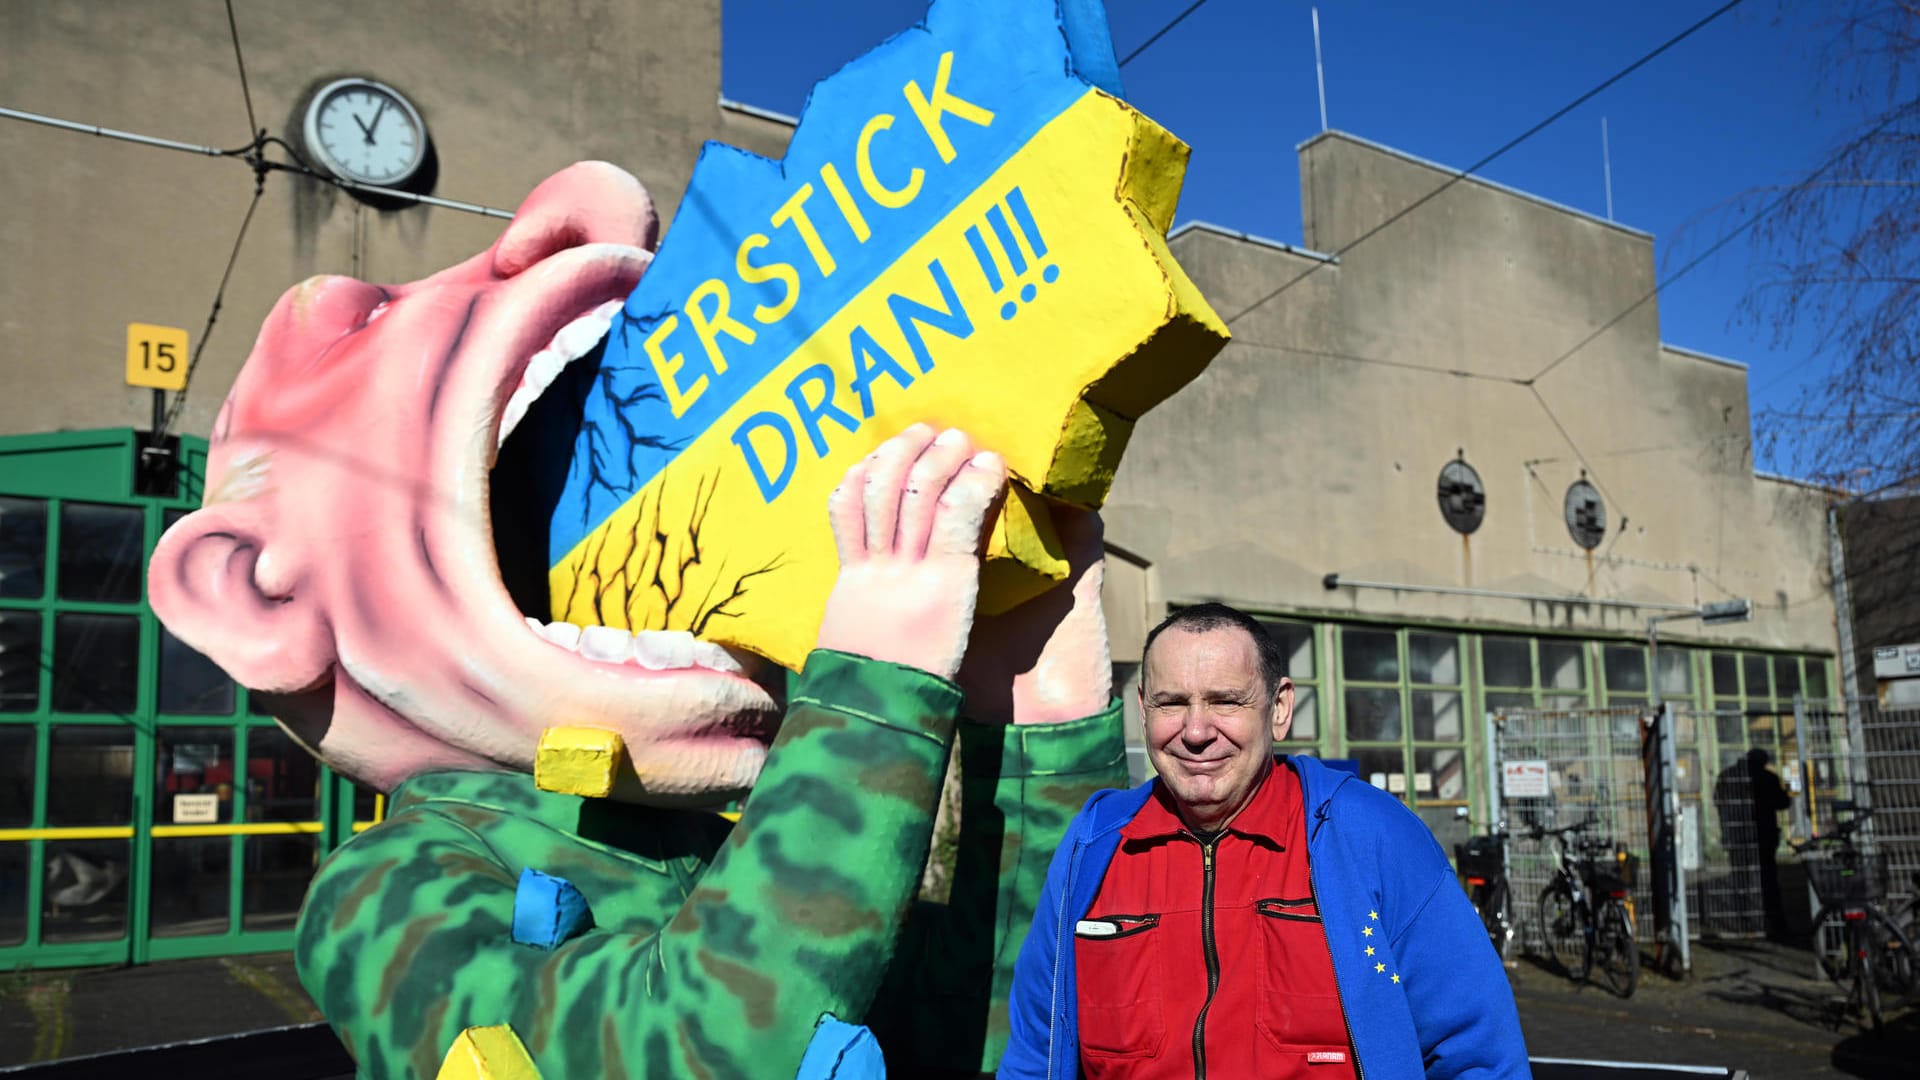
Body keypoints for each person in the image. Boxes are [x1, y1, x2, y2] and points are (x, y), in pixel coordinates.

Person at [1000, 603, 1530, 1078]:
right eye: (1170, 703)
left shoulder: (1367, 836)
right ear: (1142, 709)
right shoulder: (1094, 847)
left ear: (1279, 708)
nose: (1196, 730)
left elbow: (1479, 1053)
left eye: (1225, 701)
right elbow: (1034, 1056)